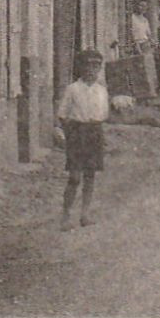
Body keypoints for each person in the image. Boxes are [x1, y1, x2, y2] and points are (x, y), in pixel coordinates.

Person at [56, 49, 110, 230]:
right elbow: (62, 114)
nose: (92, 70)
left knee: (90, 175)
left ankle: (85, 214)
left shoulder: (101, 90)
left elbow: (103, 114)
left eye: (96, 66)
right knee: (74, 177)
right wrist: (70, 134)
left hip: (95, 132)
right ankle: (65, 215)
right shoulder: (73, 89)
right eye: (88, 65)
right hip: (77, 132)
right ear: (80, 67)